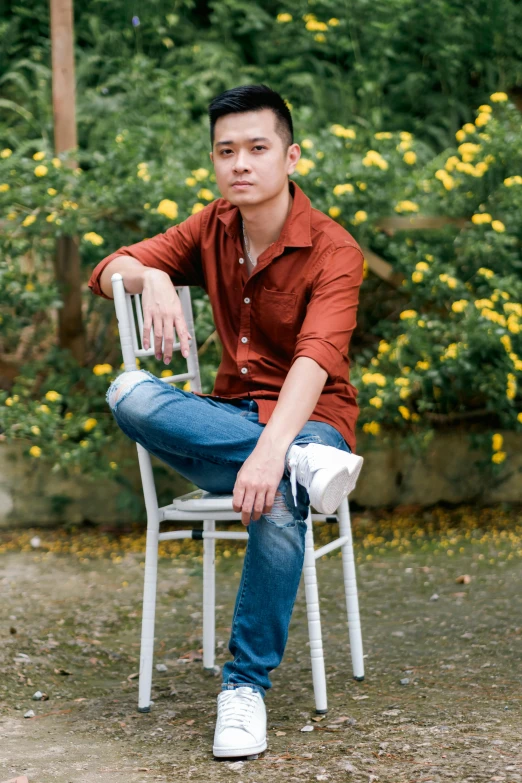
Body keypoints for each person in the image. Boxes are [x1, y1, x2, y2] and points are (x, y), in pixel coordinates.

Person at [88, 83, 365, 759]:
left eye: (257, 148)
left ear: (291, 156)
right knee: (129, 391)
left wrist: (274, 451)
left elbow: (313, 362)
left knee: (275, 491)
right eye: (225, 151)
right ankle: (298, 463)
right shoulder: (209, 226)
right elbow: (104, 270)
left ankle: (244, 688)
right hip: (229, 418)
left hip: (314, 420)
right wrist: (147, 276)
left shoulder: (335, 250)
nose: (240, 163)